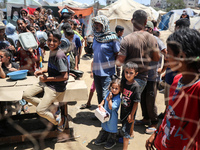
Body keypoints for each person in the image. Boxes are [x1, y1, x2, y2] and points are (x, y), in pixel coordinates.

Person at [146, 28, 200, 150]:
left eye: (168, 53)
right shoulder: (177, 80)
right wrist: (157, 133)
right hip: (164, 143)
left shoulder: (197, 89)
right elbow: (169, 113)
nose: (166, 58)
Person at [116, 10, 159, 138]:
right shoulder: (151, 38)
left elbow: (120, 61)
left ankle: (127, 133)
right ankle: (130, 131)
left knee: (126, 106)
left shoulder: (127, 39)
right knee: (133, 104)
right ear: (146, 22)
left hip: (129, 77)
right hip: (143, 78)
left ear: (131, 21)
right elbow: (156, 58)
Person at [23, 29, 69, 132]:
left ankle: (60, 121)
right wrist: (42, 70)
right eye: (49, 40)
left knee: (40, 111)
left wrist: (47, 78)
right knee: (26, 95)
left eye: (55, 41)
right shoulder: (52, 51)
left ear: (59, 43)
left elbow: (65, 76)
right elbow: (53, 68)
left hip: (56, 86)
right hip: (48, 82)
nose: (51, 43)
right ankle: (52, 109)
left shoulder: (59, 55)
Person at [135, 21, 166, 134]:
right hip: (142, 76)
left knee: (150, 100)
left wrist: (163, 69)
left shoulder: (157, 41)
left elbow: (166, 53)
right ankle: (146, 118)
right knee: (142, 98)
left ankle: (154, 122)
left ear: (152, 30)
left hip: (153, 77)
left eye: (148, 28)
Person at [92, 15, 120, 105]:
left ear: (104, 25)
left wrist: (116, 70)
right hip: (96, 72)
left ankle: (107, 116)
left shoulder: (112, 39)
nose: (96, 26)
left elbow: (117, 54)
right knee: (99, 94)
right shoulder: (95, 37)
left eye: (99, 24)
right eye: (95, 23)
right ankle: (101, 115)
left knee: (106, 95)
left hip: (107, 73)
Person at [95, 78, 121, 149]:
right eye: (113, 88)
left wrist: (109, 99)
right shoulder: (109, 93)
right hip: (105, 114)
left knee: (112, 128)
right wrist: (101, 104)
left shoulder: (117, 99)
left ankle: (112, 140)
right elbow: (104, 99)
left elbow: (110, 107)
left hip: (112, 117)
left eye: (116, 88)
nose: (114, 90)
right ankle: (104, 138)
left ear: (120, 89)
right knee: (105, 126)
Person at [120, 62, 140, 150]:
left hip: (130, 113)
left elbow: (136, 102)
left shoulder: (136, 87)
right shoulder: (124, 82)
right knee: (124, 128)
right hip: (123, 110)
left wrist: (132, 114)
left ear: (136, 74)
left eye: (131, 73)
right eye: (126, 72)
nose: (128, 75)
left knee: (126, 132)